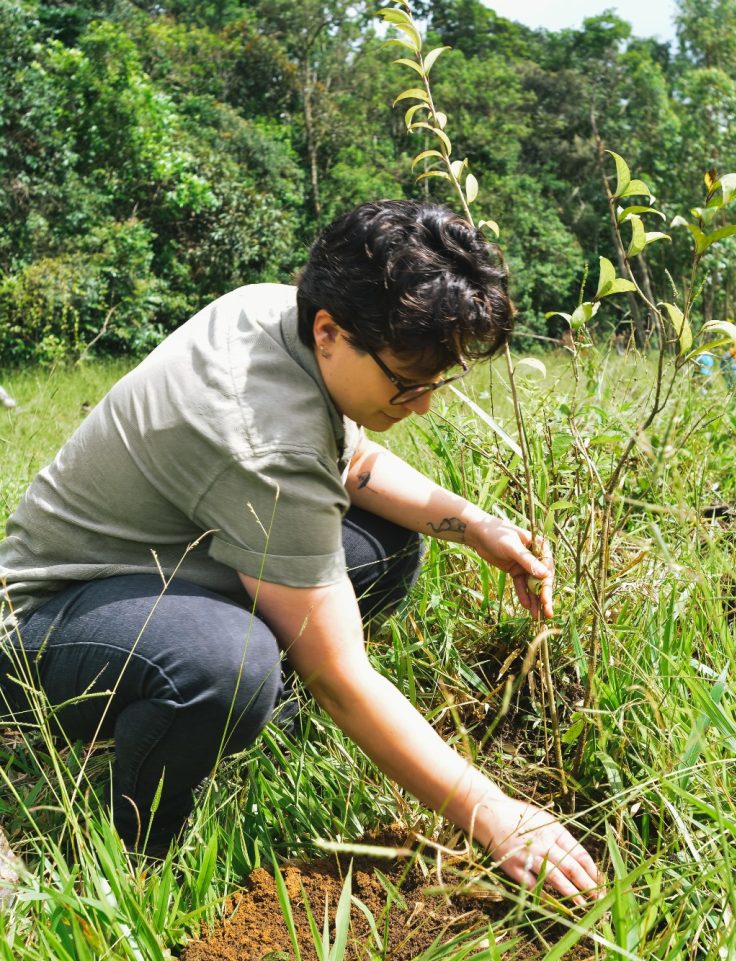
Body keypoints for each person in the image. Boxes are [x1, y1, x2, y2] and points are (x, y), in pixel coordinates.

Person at [0, 199, 600, 901]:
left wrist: (472, 524)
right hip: (43, 626)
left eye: (438, 380)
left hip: (164, 567)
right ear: (329, 333)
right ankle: (129, 849)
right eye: (406, 382)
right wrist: (494, 814)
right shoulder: (263, 437)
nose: (425, 404)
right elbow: (340, 678)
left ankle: (238, 727)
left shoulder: (277, 312)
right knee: (229, 666)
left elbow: (352, 465)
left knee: (381, 545)